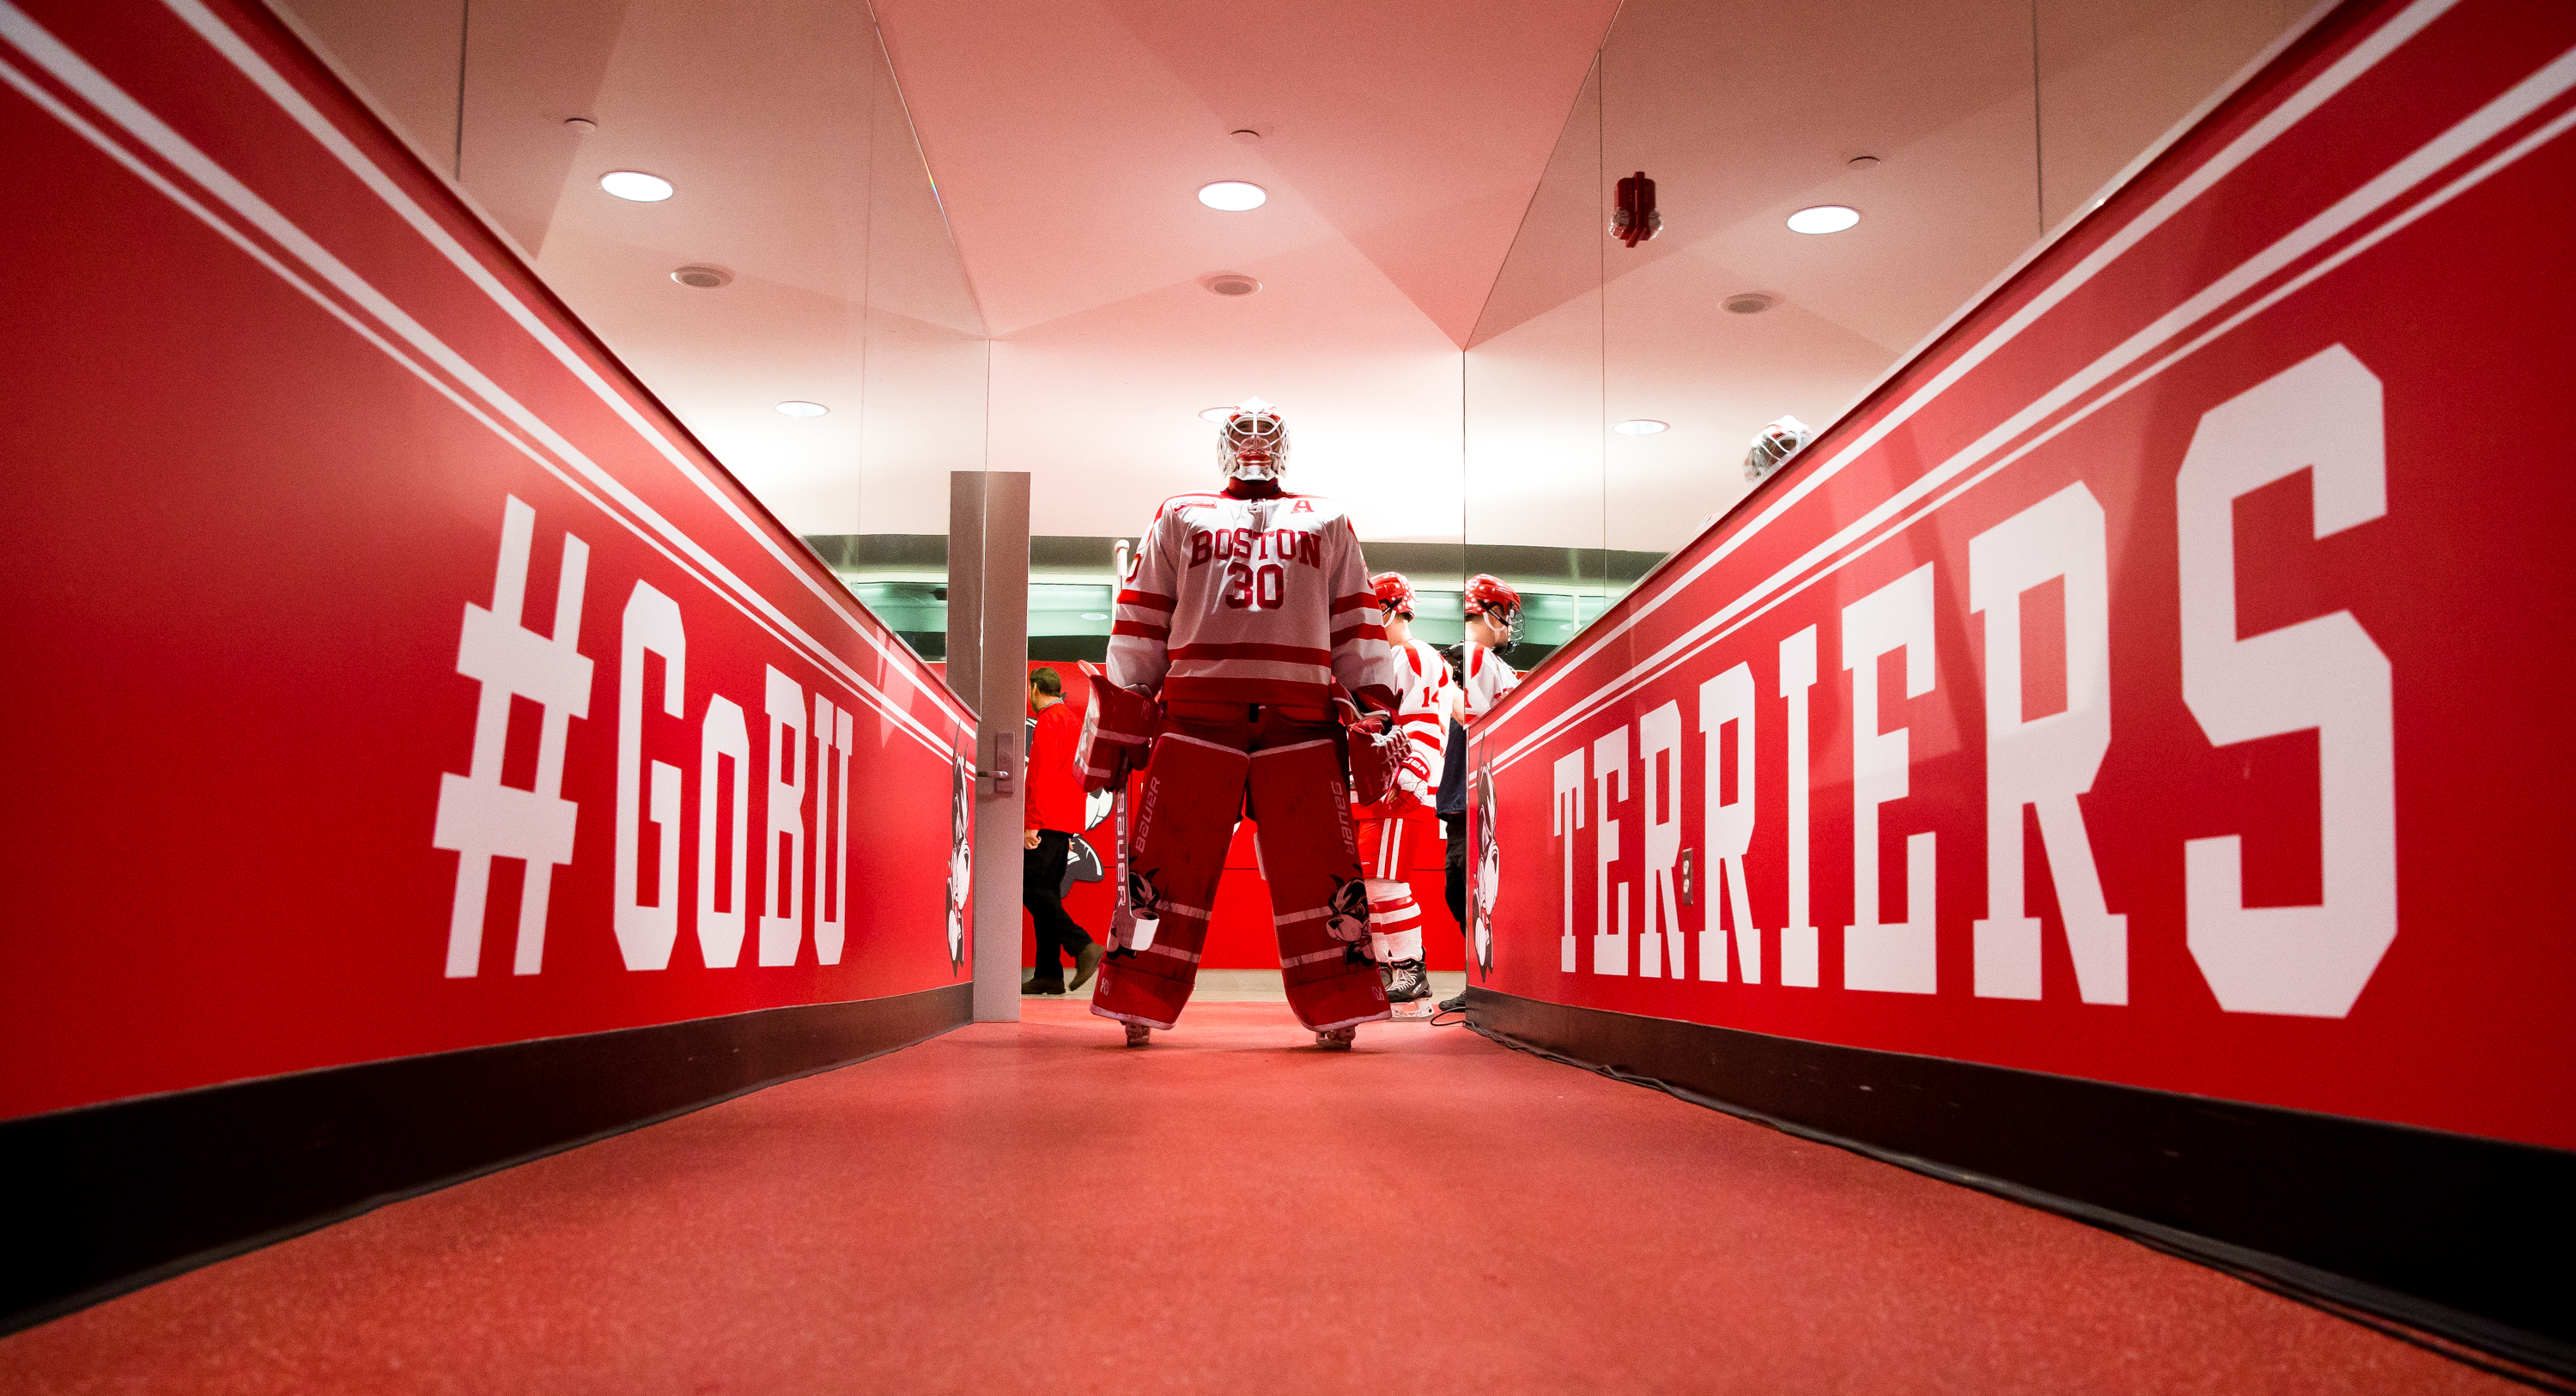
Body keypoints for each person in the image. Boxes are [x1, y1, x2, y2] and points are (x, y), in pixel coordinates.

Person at [1086, 398, 1399, 1049]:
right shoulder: (1178, 513)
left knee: (1322, 870)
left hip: (1302, 722)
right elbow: (1144, 618)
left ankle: (1338, 1005)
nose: (1255, 442)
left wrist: (1375, 709)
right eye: (1243, 432)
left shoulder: (1329, 518)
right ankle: (1138, 996)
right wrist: (1122, 713)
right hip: (1198, 716)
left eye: (1267, 432)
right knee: (1163, 864)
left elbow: (1355, 621)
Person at [1352, 572, 1453, 1016]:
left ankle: (1410, 970)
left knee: (1386, 883)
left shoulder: (1413, 654)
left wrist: (1410, 777)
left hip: (1397, 791)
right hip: (1381, 789)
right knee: (1373, 886)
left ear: (1390, 608)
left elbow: (1426, 721)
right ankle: (1395, 971)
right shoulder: (1392, 656)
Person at [1435, 574, 1524, 1013]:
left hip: (1479, 793)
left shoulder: (1479, 661)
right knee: (1466, 888)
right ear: (1492, 613)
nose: (1509, 625)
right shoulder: (1479, 658)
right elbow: (1470, 715)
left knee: (1467, 888)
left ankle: (1488, 982)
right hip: (1476, 793)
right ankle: (1485, 979)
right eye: (1506, 614)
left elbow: (1467, 714)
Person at [1023, 668, 1103, 994]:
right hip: (1066, 824)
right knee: (1048, 894)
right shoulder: (1073, 722)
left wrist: (1032, 823)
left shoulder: (1049, 719)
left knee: (1031, 889)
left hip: (1046, 822)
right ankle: (1048, 974)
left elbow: (1040, 774)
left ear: (1034, 687)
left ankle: (1083, 946)